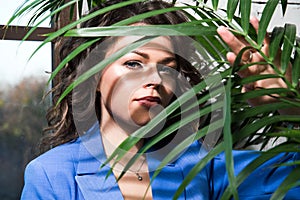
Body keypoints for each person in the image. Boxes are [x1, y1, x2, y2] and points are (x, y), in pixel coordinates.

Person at [21, 0, 299, 199]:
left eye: (167, 67)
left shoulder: (201, 165)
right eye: (133, 63)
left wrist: (289, 104)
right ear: (94, 77)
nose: (155, 78)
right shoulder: (52, 174)